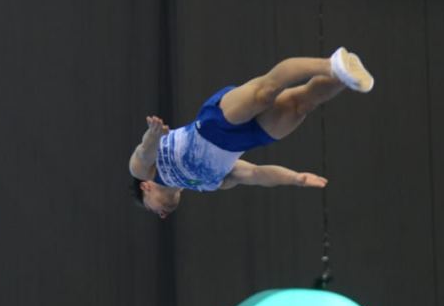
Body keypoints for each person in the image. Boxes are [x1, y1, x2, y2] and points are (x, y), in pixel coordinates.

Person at [129, 47, 374, 219]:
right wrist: (294, 179)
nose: (162, 214)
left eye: (153, 210)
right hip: (248, 138)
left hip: (215, 122)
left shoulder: (145, 173)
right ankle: (344, 77)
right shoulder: (209, 184)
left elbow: (144, 152)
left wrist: (154, 135)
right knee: (302, 105)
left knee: (265, 92)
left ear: (146, 189)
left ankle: (331, 65)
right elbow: (255, 174)